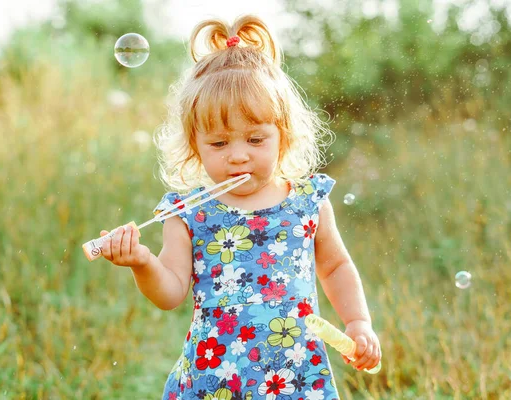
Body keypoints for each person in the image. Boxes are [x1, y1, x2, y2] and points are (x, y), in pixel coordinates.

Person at [99, 14, 381, 400]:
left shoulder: (306, 200)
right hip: (215, 374)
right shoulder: (189, 213)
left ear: (283, 136)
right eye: (218, 144)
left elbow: (334, 265)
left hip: (295, 375)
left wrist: (358, 322)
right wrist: (143, 262)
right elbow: (170, 293)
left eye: (254, 139)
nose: (237, 157)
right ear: (194, 146)